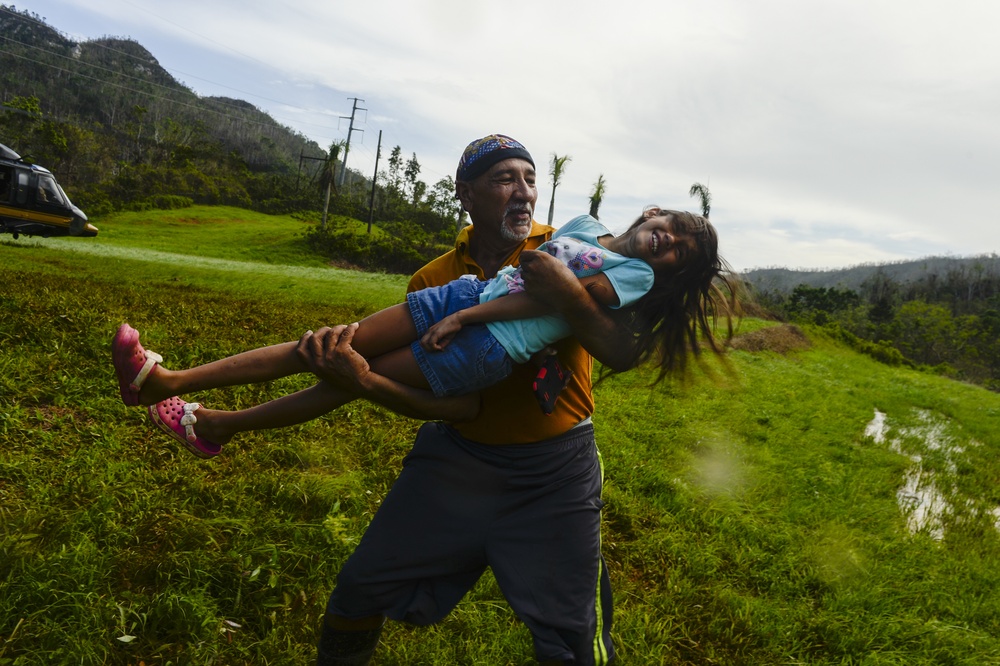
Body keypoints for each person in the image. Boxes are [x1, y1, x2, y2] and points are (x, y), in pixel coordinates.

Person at [289, 135, 739, 666]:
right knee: (359, 591)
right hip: (455, 458)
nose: (524, 194)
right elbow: (446, 404)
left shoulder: (576, 248)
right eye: (505, 179)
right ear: (466, 194)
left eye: (530, 180)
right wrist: (363, 382)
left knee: (572, 641)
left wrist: (565, 292)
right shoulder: (433, 281)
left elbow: (623, 350)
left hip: (555, 474)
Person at [110, 204, 726, 459]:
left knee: (345, 378)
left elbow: (551, 305)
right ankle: (163, 378)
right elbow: (525, 270)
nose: (671, 242)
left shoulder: (630, 280)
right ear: (652, 212)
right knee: (321, 347)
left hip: (486, 338)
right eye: (674, 226)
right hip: (461, 297)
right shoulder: (582, 225)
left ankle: (216, 425)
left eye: (682, 253)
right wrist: (464, 300)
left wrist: (468, 316)